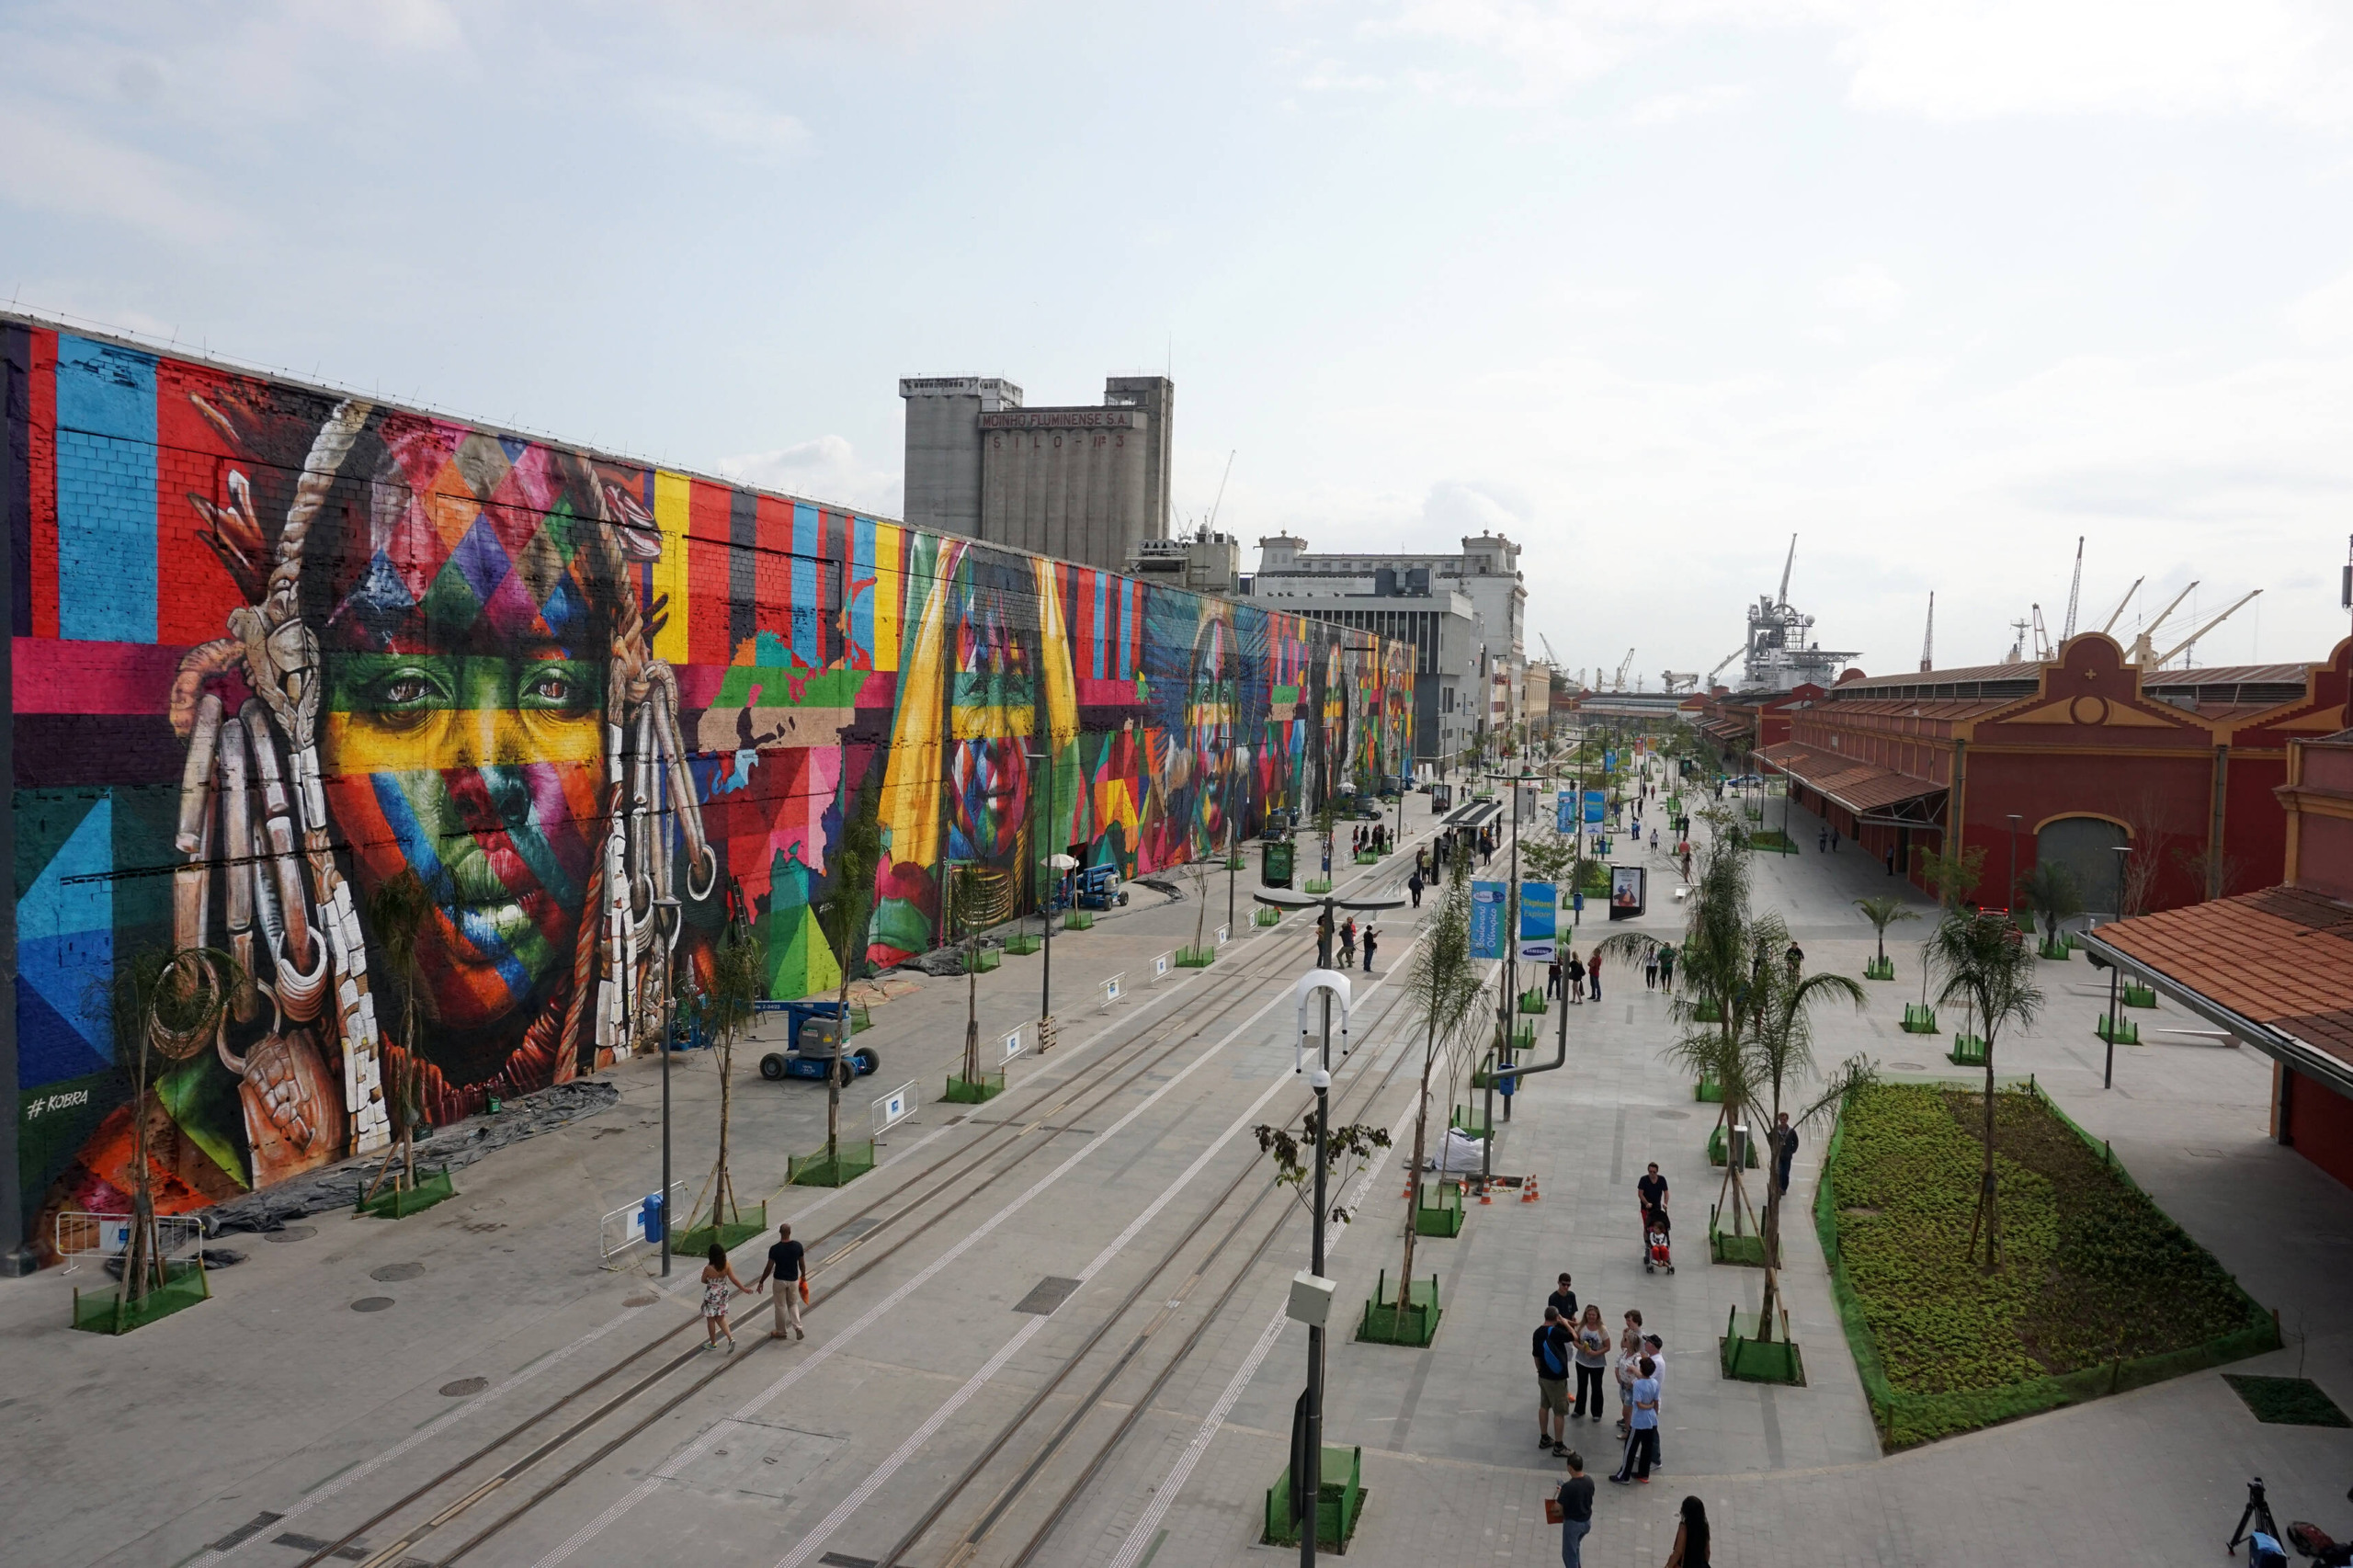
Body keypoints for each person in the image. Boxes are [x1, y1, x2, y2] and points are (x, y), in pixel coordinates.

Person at [1609, 1356, 1660, 1483]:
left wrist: (1648, 1406)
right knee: (1646, 1448)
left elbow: (1638, 1404)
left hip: (1638, 1422)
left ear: (1641, 1369)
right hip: (1651, 1421)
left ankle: (1624, 1475)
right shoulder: (1654, 1383)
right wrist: (1653, 1410)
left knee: (1630, 1448)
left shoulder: (1638, 1384)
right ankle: (1644, 1474)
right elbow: (1656, 1401)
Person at [754, 1221, 807, 1340]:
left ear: (780, 1233)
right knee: (793, 1304)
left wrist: (761, 1281)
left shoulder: (775, 1249)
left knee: (780, 1306)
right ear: (790, 1232)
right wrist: (803, 1276)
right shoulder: (798, 1246)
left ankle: (781, 1331)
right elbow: (802, 1264)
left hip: (779, 1281)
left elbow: (769, 1267)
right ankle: (798, 1327)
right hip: (793, 1280)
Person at [1533, 1306, 1574, 1454]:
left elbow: (1536, 1355)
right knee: (1559, 1412)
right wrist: (1566, 1323)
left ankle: (1544, 1438)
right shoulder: (1555, 1332)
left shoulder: (1537, 1332)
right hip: (1557, 1378)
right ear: (1556, 1317)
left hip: (1543, 1375)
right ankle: (1559, 1445)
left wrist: (1539, 1371)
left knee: (1544, 1405)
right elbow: (1574, 1336)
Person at [700, 1242, 752, 1351]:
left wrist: (711, 1282)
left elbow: (703, 1280)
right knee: (721, 1318)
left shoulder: (708, 1268)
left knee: (710, 1319)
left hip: (711, 1296)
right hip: (723, 1293)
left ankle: (713, 1343)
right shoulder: (727, 1264)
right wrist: (744, 1289)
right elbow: (734, 1279)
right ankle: (730, 1338)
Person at [1571, 1304, 1610, 1422]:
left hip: (1597, 1364)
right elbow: (1575, 1340)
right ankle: (1579, 1409)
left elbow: (1608, 1347)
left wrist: (1596, 1353)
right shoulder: (1581, 1326)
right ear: (1586, 1315)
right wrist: (1581, 1348)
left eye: (1593, 1315)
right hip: (1582, 1362)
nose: (1591, 1317)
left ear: (1597, 1316)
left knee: (1597, 1388)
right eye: (1589, 1314)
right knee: (1582, 1386)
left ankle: (1597, 1412)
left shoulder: (1602, 1329)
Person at [1556, 1450, 1595, 1568]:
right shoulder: (1589, 1480)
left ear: (1570, 1468)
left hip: (1573, 1524)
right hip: (1586, 1522)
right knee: (1576, 1547)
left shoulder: (1568, 1487)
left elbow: (1557, 1508)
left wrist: (1561, 1494)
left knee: (1569, 1555)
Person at [1614, 1308, 1644, 1436]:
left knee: (1629, 1406)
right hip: (1624, 1383)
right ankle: (1627, 1420)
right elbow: (1623, 1347)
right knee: (1625, 1402)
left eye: (1629, 1320)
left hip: (1631, 1383)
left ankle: (1629, 1423)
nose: (1627, 1322)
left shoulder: (1641, 1338)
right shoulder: (1629, 1336)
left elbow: (1643, 1359)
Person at [1665, 1495, 1711, 1568]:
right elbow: (1707, 1552)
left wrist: (1668, 1566)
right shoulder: (1704, 1526)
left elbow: (1678, 1551)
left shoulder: (1684, 1527)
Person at [1774, 1110, 1799, 1196]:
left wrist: (1792, 1150)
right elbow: (1770, 1139)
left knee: (1785, 1173)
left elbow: (1796, 1141)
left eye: (1784, 1119)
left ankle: (1783, 1188)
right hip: (1778, 1156)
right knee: (1779, 1172)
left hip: (1787, 1156)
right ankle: (1778, 1188)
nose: (1783, 1121)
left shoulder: (1791, 1131)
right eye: (1781, 1119)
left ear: (1787, 1120)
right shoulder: (1776, 1130)